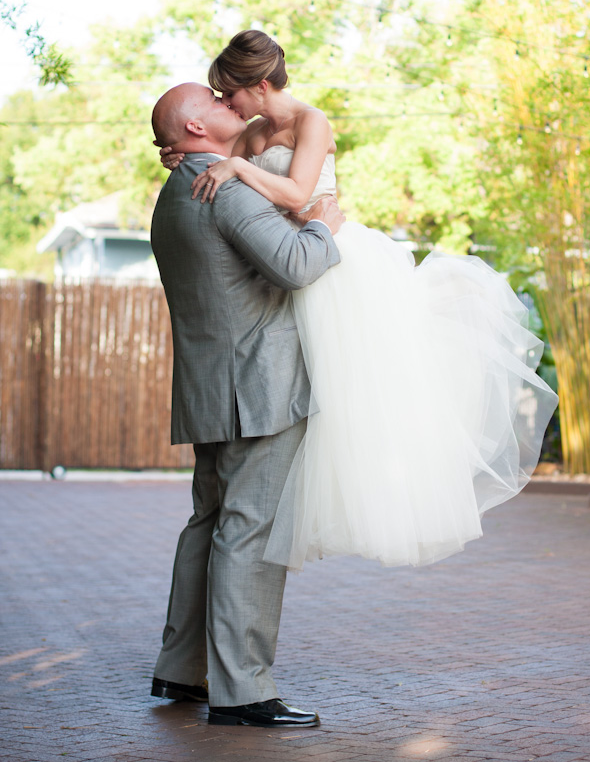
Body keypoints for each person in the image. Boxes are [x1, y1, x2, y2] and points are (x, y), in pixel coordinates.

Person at [161, 30, 558, 572]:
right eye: (216, 97)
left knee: (358, 384)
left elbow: (298, 195)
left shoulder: (311, 121)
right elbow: (210, 156)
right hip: (285, 259)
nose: (225, 102)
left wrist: (237, 168)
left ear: (259, 86)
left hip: (327, 248)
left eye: (229, 92)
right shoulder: (251, 133)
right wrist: (182, 150)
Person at [149, 81, 344, 727]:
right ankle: (244, 690)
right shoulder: (223, 189)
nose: (224, 98)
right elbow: (293, 263)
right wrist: (322, 226)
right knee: (249, 531)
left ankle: (182, 670)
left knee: (209, 522)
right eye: (210, 99)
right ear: (194, 129)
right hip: (258, 388)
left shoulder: (178, 191)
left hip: (212, 386)